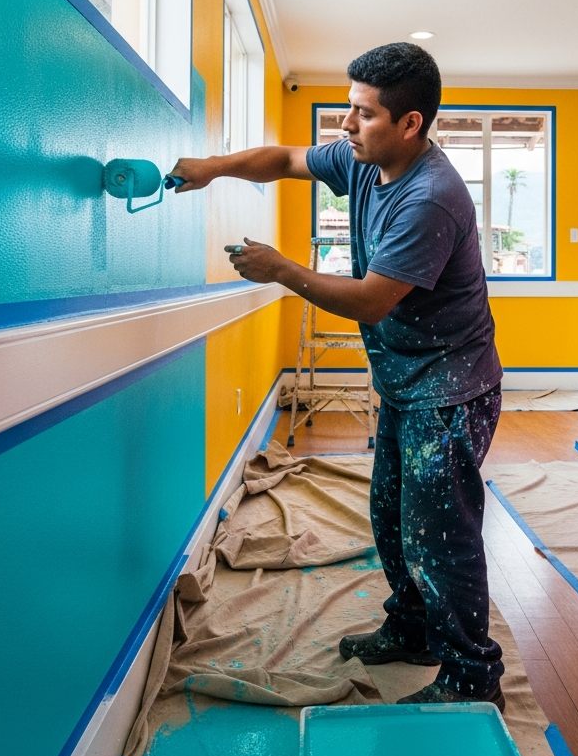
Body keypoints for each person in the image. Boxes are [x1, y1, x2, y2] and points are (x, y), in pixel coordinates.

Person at [169, 42, 505, 708]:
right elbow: (285, 159)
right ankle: (412, 631)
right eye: (348, 109)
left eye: (362, 113)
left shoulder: (429, 197)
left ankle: (473, 678)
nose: (345, 126)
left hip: (452, 389)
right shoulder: (361, 161)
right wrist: (213, 168)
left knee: (441, 538)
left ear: (409, 124)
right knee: (391, 518)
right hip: (406, 381)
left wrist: (283, 269)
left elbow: (372, 298)